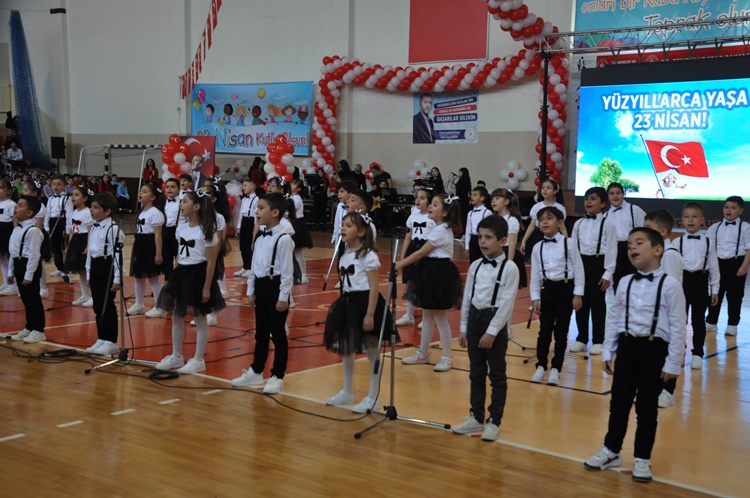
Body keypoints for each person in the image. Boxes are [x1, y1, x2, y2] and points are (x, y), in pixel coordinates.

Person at [584, 227, 686, 484]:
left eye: (638, 243)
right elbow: (615, 317)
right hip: (628, 347)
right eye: (629, 244)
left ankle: (642, 457)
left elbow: (678, 326)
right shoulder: (626, 282)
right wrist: (608, 350)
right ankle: (612, 450)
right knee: (618, 403)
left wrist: (673, 362)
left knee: (646, 408)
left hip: (654, 350)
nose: (631, 247)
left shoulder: (671, 285)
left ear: (657, 249)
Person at [451, 215, 519, 441]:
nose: (482, 241)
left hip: (494, 322)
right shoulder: (476, 265)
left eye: (488, 237)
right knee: (476, 372)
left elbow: (507, 303)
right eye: (480, 237)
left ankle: (494, 421)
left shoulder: (510, 268)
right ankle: (476, 416)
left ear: (502, 241)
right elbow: (468, 297)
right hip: (475, 320)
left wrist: (492, 331)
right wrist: (463, 326)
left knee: (497, 375)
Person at [323, 212, 393, 413]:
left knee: (372, 351)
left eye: (349, 226)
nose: (343, 228)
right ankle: (347, 391)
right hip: (347, 304)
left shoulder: (368, 255)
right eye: (343, 225)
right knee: (347, 350)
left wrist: (370, 314)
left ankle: (373, 397)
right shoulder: (345, 254)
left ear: (362, 232)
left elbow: (374, 287)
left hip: (365, 304)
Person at [154, 191, 226, 374]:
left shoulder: (207, 231)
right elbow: (180, 254)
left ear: (196, 207)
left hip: (198, 275)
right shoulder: (181, 228)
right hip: (181, 273)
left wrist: (207, 287)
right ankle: (176, 355)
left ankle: (199, 359)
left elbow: (211, 261)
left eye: (184, 201)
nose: (180, 205)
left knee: (200, 317)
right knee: (176, 316)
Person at [231, 193, 294, 393]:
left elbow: (287, 272)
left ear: (275, 212)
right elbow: (255, 266)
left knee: (278, 334)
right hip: (261, 286)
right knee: (261, 333)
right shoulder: (259, 237)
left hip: (275, 287)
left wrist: (283, 297)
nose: (256, 212)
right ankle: (257, 370)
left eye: (261, 208)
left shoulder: (284, 239)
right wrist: (250, 290)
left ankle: (277, 375)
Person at [396, 194, 463, 372]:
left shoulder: (441, 231)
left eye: (435, 204)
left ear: (445, 212)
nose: (430, 207)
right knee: (427, 316)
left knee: (440, 318)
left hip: (439, 274)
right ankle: (423, 352)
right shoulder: (438, 228)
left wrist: (401, 263)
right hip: (430, 272)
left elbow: (421, 253)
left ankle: (447, 356)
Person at [529, 207, 584, 385]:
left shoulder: (569, 243)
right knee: (544, 330)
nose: (544, 222)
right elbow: (536, 275)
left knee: (561, 331)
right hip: (547, 290)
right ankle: (541, 366)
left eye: (549, 218)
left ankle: (556, 368)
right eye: (541, 219)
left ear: (560, 222)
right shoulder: (537, 247)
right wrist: (535, 297)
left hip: (565, 289)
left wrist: (578, 294)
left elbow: (579, 270)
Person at [570, 187, 617, 355]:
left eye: (593, 198)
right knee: (580, 301)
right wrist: (573, 269)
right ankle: (581, 338)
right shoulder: (578, 224)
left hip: (598, 264)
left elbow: (611, 250)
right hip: (581, 264)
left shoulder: (608, 225)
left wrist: (608, 273)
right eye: (586, 198)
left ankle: (598, 340)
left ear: (603, 203)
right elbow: (573, 248)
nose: (588, 201)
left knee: (598, 304)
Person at [644, 209, 684, 409]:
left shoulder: (669, 255)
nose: (644, 232)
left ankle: (668, 391)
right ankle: (653, 389)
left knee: (668, 351)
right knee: (653, 354)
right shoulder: (656, 254)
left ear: (663, 232)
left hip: (667, 313)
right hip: (654, 313)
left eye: (648, 228)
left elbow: (672, 287)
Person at [81, 192, 126, 354]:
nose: (91, 210)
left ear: (107, 211)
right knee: (98, 305)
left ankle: (111, 340)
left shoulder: (114, 229)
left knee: (107, 305)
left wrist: (117, 278)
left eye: (95, 207)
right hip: (95, 267)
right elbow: (90, 253)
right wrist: (88, 274)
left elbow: (118, 256)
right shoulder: (94, 228)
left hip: (107, 267)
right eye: (91, 207)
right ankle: (101, 337)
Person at [677, 202, 719, 370]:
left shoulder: (709, 242)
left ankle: (697, 353)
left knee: (698, 320)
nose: (690, 220)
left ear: (702, 220)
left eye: (694, 217)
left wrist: (715, 289)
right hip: (682, 282)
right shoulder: (677, 242)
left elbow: (714, 267)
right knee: (679, 319)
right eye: (686, 217)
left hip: (701, 282)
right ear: (682, 220)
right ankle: (679, 351)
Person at [706, 196, 750, 337]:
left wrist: (744, 267)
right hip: (718, 263)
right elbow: (709, 249)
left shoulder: (745, 227)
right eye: (726, 207)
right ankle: (711, 322)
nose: (729, 210)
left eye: (733, 208)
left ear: (740, 210)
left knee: (735, 296)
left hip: (736, 263)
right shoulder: (715, 227)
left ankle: (732, 325)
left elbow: (749, 249)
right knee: (715, 293)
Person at [6, 196, 46, 343]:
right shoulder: (17, 229)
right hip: (18, 264)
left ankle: (39, 330)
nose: (16, 207)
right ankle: (30, 326)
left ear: (29, 213)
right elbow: (13, 252)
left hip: (29, 266)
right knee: (26, 299)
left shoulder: (33, 231)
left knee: (33, 299)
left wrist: (29, 275)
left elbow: (35, 255)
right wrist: (11, 272)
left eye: (20, 205)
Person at [395, 186, 435, 327]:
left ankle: (427, 317)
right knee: (412, 282)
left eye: (422, 198)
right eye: (417, 197)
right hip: (414, 248)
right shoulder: (413, 215)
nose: (418, 200)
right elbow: (408, 237)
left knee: (425, 284)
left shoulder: (433, 217)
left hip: (426, 250)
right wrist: (403, 257)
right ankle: (409, 315)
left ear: (429, 202)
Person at [128, 183, 166, 317]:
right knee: (139, 276)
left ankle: (160, 306)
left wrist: (158, 253)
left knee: (153, 277)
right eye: (140, 191)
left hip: (149, 245)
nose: (140, 193)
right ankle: (139, 304)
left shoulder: (155, 213)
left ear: (152, 197)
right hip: (140, 244)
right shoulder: (142, 212)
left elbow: (158, 235)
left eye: (144, 191)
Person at [605, 182, 646, 290]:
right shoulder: (606, 216)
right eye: (612, 193)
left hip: (632, 247)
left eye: (618, 193)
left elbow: (644, 229)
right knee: (617, 281)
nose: (615, 196)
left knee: (634, 279)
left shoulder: (635, 209)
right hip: (615, 250)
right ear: (608, 196)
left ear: (623, 194)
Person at [22, 180, 53, 300]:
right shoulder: (26, 204)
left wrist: (36, 240)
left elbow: (39, 225)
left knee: (38, 262)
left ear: (34, 193)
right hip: (27, 234)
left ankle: (43, 288)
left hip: (37, 235)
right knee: (28, 261)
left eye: (26, 190)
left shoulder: (39, 206)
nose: (23, 192)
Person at [520, 178, 567, 256]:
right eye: (543, 187)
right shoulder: (536, 206)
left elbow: (562, 227)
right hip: (538, 235)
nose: (545, 190)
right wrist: (524, 240)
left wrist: (566, 242)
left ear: (554, 191)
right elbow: (531, 226)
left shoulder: (560, 208)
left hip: (554, 235)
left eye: (548, 188)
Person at [491, 188, 527, 288]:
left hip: (506, 253)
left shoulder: (511, 220)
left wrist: (509, 263)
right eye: (492, 199)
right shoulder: (494, 219)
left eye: (497, 198)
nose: (493, 201)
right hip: (496, 252)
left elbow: (511, 243)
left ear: (506, 201)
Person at [64, 187, 93, 306]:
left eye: (77, 195)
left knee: (87, 269)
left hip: (84, 240)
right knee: (81, 271)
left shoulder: (88, 212)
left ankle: (93, 296)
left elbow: (90, 231)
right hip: (76, 241)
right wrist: (68, 247)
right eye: (72, 195)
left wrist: (88, 246)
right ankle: (85, 295)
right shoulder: (73, 213)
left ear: (85, 198)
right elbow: (72, 231)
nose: (73, 197)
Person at [44, 175, 73, 278]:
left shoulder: (67, 198)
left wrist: (68, 229)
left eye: (59, 184)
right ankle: (59, 267)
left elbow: (69, 213)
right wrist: (46, 227)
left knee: (65, 245)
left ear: (64, 186)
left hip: (62, 222)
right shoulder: (51, 198)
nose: (56, 186)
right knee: (55, 246)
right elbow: (47, 213)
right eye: (54, 184)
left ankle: (68, 268)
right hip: (53, 222)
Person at [290, 179, 313, 284]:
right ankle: (296, 273)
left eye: (294, 184)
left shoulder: (297, 198)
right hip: (293, 224)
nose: (291, 185)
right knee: (293, 251)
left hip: (298, 224)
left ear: (298, 189)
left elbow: (291, 211)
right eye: (292, 183)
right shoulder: (290, 197)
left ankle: (303, 274)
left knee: (298, 251)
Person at [234, 178, 258, 278]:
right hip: (244, 222)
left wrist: (255, 227)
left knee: (249, 245)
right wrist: (239, 227)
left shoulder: (256, 199)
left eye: (245, 185)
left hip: (251, 222)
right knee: (242, 245)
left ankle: (251, 268)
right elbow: (241, 214)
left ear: (252, 186)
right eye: (243, 186)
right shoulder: (244, 199)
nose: (243, 188)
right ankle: (245, 266)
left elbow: (256, 214)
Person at [464, 186, 492, 263]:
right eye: (471, 195)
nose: (472, 197)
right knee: (473, 262)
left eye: (475, 195)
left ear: (482, 198)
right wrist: (467, 245)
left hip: (483, 238)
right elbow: (468, 230)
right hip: (473, 239)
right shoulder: (470, 213)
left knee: (485, 260)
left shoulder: (487, 212)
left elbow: (490, 229)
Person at [0, 180, 18, 296]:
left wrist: (15, 235)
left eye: (1, 188)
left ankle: (13, 285)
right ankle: (6, 283)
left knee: (9, 259)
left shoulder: (11, 204)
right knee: (2, 260)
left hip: (7, 232)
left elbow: (15, 221)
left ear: (8, 191)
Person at [161, 178, 181, 280]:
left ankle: (178, 282)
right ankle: (168, 282)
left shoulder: (182, 203)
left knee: (179, 258)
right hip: (165, 232)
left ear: (179, 189)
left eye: (173, 187)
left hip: (178, 232)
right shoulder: (163, 203)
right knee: (167, 258)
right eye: (167, 187)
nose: (169, 189)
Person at [452, 168, 471, 236]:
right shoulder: (468, 180)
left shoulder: (462, 181)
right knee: (464, 217)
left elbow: (453, 186)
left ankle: (461, 232)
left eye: (460, 172)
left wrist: (453, 179)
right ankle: (463, 232)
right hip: (465, 200)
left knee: (460, 217)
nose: (459, 174)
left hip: (461, 200)